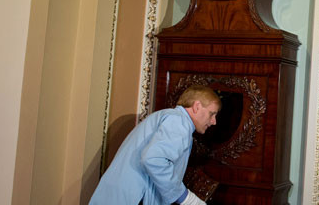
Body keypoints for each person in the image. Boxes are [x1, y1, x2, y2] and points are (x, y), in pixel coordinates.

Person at [90, 85, 221, 205]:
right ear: (197, 106)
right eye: (212, 113)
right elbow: (154, 159)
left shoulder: (168, 117)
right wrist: (186, 198)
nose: (214, 121)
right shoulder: (179, 121)